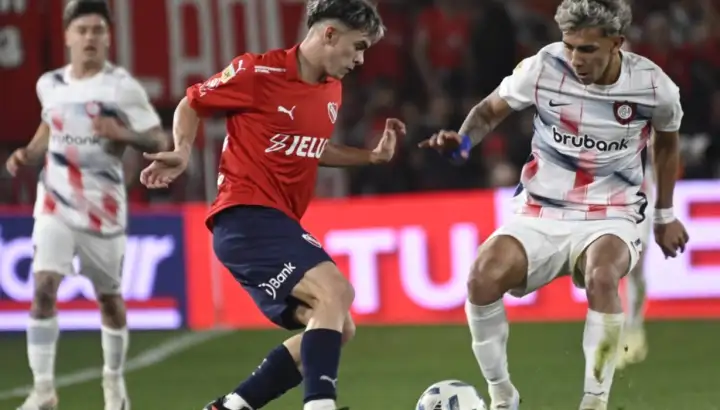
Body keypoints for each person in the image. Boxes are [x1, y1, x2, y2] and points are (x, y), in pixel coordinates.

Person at [419, 1, 689, 409]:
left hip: (613, 212)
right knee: (481, 278)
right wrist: (464, 140)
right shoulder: (543, 67)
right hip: (540, 209)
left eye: (588, 49)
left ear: (616, 43)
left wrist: (665, 215)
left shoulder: (654, 86)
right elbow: (488, 110)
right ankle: (502, 395)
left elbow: (667, 146)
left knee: (603, 276)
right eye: (570, 46)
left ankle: (594, 402)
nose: (576, 59)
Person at [139, 1, 402, 409]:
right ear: (330, 34)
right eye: (358, 46)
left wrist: (369, 157)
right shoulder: (257, 72)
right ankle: (320, 404)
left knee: (337, 325)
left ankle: (231, 406)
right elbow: (192, 103)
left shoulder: (331, 89)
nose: (361, 59)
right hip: (245, 215)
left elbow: (314, 147)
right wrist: (182, 150)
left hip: (276, 222)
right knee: (336, 291)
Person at [4, 1, 168, 409]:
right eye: (82, 30)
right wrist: (29, 153)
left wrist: (121, 132)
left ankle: (113, 381)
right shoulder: (50, 84)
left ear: (108, 37)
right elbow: (50, 124)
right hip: (55, 202)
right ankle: (44, 390)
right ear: (68, 36)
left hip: (103, 208)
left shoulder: (122, 88)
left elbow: (158, 139)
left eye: (97, 30)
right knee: (43, 288)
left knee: (109, 300)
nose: (90, 37)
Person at [617, 145, 654, 369]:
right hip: (612, 203)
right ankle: (621, 333)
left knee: (635, 268)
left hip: (642, 203)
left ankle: (634, 326)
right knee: (612, 268)